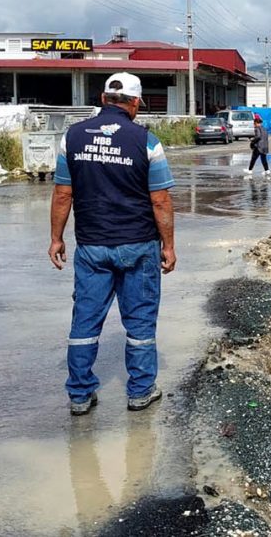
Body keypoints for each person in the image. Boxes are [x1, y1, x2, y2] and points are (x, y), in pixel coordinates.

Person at [49, 72, 177, 415]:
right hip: (138, 245)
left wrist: (56, 238)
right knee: (139, 322)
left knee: (85, 321)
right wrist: (168, 246)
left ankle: (79, 395)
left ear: (103, 99)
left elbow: (63, 194)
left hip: (92, 247)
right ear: (135, 103)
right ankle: (139, 391)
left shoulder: (72, 138)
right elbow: (161, 201)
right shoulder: (147, 142)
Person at [245, 114, 270, 178]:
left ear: (256, 123)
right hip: (265, 146)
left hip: (259, 146)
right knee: (263, 159)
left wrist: (252, 141)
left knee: (253, 158)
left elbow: (258, 136)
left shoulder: (257, 128)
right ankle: (267, 170)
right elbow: (265, 137)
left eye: (254, 123)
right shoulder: (264, 129)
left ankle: (250, 170)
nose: (254, 125)